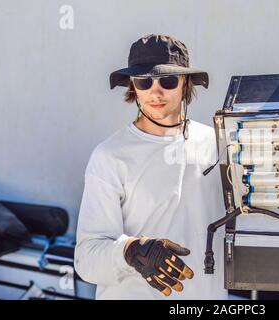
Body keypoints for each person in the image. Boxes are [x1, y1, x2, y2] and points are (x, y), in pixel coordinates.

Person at [74, 34, 227, 300]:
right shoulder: (109, 156)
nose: (155, 92)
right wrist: (131, 251)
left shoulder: (217, 144)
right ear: (133, 87)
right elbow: (86, 259)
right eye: (144, 82)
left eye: (167, 80)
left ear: (185, 83)